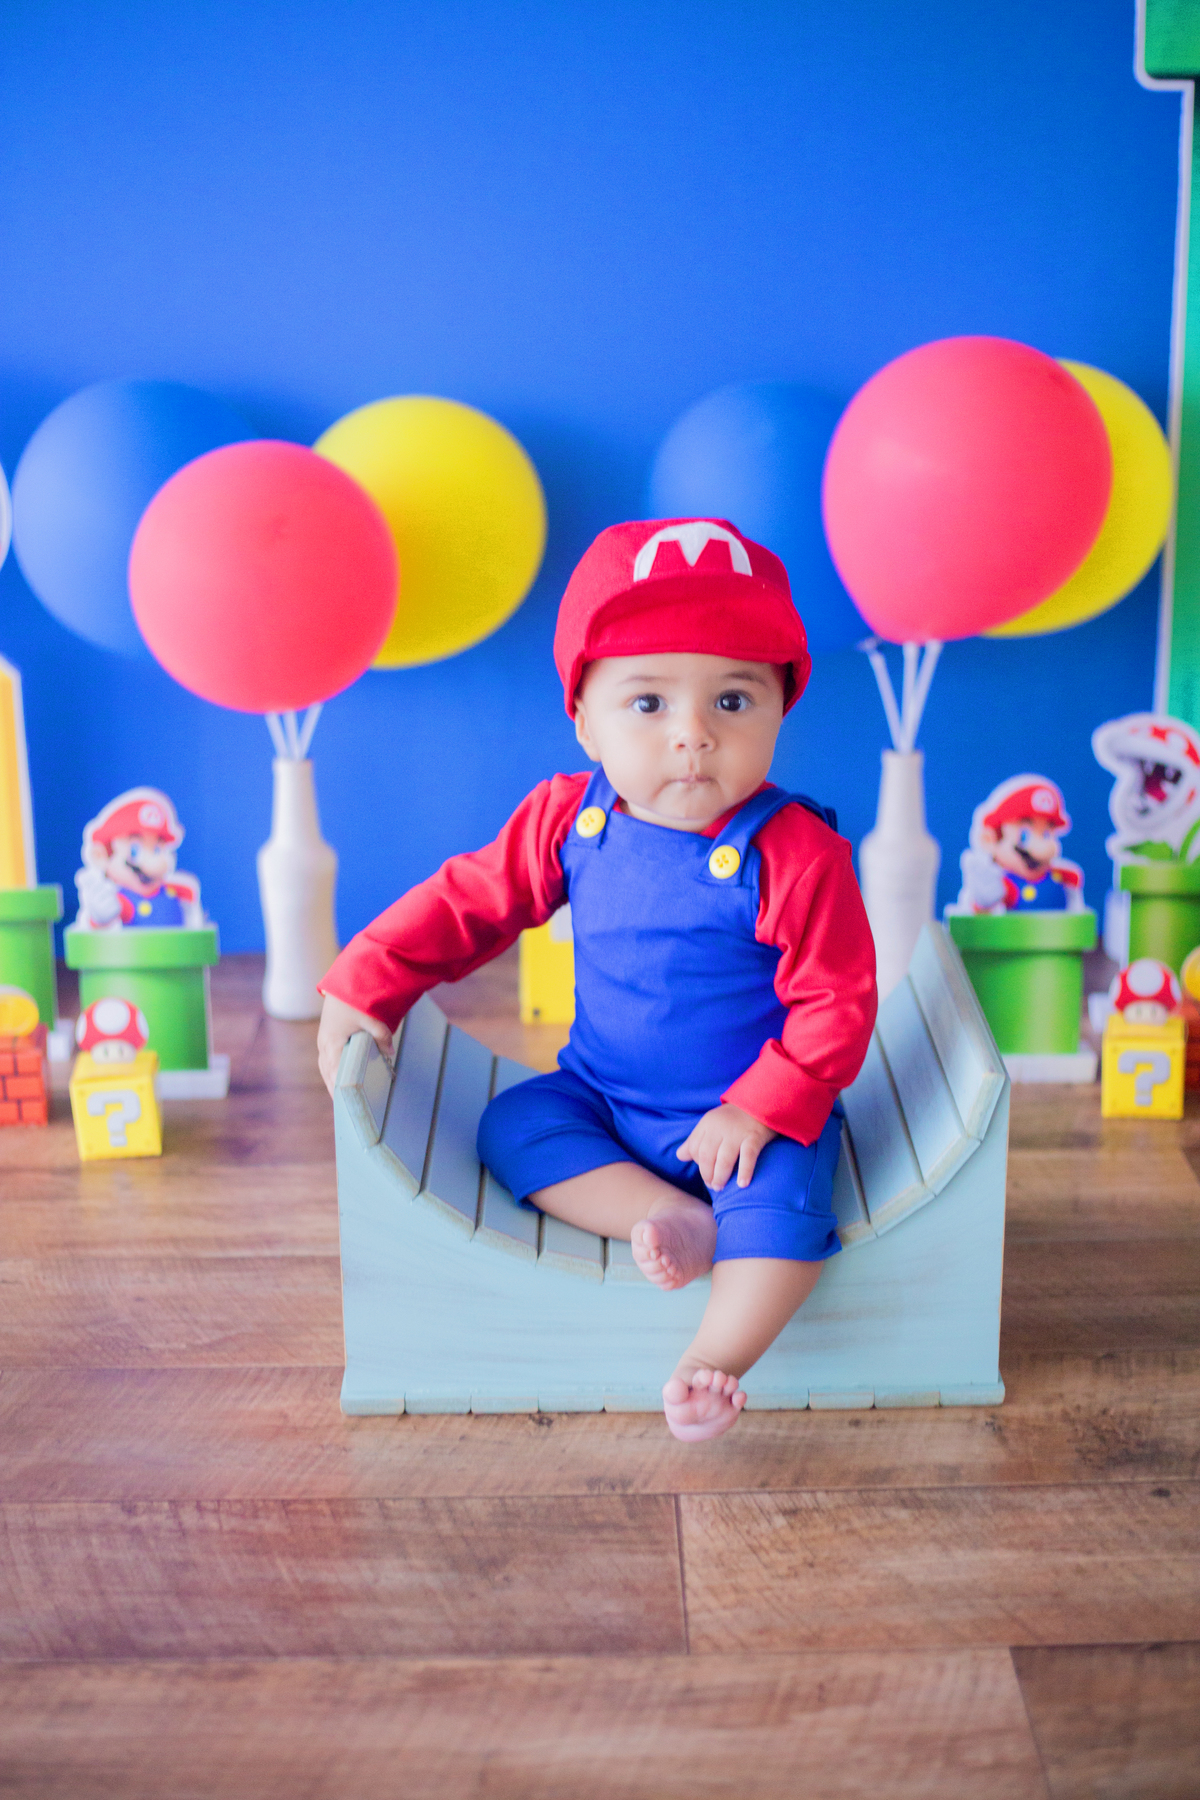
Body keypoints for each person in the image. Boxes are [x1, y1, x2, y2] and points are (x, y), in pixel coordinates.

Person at [317, 518, 877, 1441]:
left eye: (733, 700)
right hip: (607, 1101)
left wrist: (763, 1107)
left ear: (781, 708)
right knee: (512, 1127)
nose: (693, 736)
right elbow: (466, 902)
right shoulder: (570, 821)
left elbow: (837, 1002)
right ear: (584, 719)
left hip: (749, 1122)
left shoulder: (796, 853)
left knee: (785, 1212)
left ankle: (715, 1356)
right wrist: (366, 980)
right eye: (648, 702)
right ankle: (663, 1213)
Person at [953, 775, 1084, 915]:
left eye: (1046, 834)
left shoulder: (1062, 876)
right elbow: (983, 912)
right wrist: (983, 900)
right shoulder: (1006, 886)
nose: (1042, 847)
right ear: (990, 839)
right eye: (1024, 835)